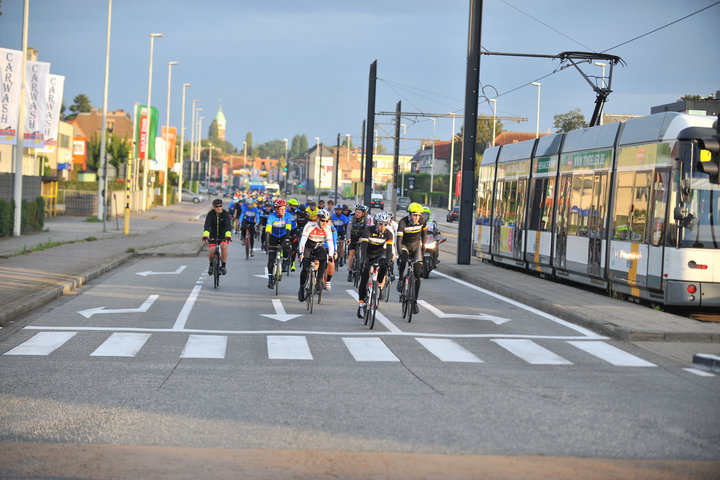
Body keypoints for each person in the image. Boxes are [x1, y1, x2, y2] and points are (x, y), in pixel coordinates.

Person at [356, 211, 394, 318]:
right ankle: (361, 304)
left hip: (379, 253)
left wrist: (389, 259)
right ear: (376, 223)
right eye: (380, 224)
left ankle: (378, 285)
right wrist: (363, 259)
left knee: (385, 264)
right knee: (364, 279)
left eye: (385, 224)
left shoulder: (388, 233)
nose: (383, 226)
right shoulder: (368, 230)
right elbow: (363, 247)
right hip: (368, 253)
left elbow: (389, 249)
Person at [396, 202, 427, 314]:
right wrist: (400, 254)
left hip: (415, 246)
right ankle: (400, 279)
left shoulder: (422, 221)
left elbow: (424, 236)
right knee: (404, 258)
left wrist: (423, 251)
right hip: (404, 245)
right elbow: (398, 241)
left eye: (419, 215)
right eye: (414, 215)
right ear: (409, 214)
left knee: (417, 275)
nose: (417, 217)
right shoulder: (403, 222)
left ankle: (414, 302)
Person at [297, 209, 335, 302]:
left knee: (324, 259)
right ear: (318, 219)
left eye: (326, 221)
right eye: (322, 220)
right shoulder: (310, 225)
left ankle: (318, 281)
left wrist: (331, 255)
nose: (324, 223)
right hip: (308, 246)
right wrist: (301, 252)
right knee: (305, 269)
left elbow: (330, 242)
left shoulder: (327, 228)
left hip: (318, 246)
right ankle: (302, 287)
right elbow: (303, 240)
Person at [265, 199, 295, 288]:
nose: (283, 211)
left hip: (283, 235)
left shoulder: (288, 216)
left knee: (286, 247)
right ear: (276, 209)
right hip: (273, 237)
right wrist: (267, 242)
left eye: (284, 209)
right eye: (280, 209)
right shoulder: (271, 217)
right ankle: (270, 277)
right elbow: (268, 230)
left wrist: (287, 239)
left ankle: (285, 260)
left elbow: (288, 228)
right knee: (271, 258)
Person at [202, 198, 232, 275]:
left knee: (223, 247)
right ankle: (211, 266)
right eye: (217, 206)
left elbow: (228, 225)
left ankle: (223, 266)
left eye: (220, 206)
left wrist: (228, 236)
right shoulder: (210, 214)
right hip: (213, 235)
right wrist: (205, 235)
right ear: (214, 207)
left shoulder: (225, 214)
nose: (219, 208)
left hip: (223, 236)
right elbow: (207, 225)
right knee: (212, 251)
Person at [345, 204, 371, 282]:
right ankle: (350, 271)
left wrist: (363, 237)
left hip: (362, 236)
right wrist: (348, 238)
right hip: (353, 236)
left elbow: (367, 229)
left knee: (363, 250)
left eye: (359, 212)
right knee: (351, 253)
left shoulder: (366, 219)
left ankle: (361, 262)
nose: (357, 214)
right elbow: (348, 229)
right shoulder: (352, 218)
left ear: (363, 213)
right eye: (356, 212)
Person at [287, 197, 309, 272]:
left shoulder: (296, 211)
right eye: (293, 206)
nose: (294, 207)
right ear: (289, 205)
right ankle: (283, 260)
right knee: (285, 245)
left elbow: (303, 216)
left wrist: (296, 211)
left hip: (293, 229)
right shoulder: (285, 211)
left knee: (294, 247)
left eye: (295, 206)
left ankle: (292, 264)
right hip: (285, 229)